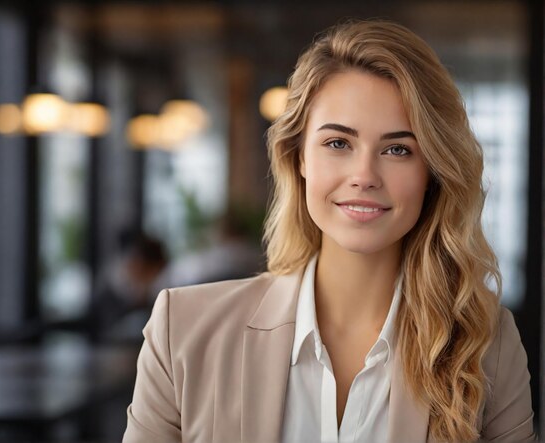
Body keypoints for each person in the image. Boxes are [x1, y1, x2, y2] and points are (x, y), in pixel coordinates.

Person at [123, 20, 536, 443]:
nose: (364, 176)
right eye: (338, 143)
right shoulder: (182, 332)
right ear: (298, 157)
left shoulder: (486, 345)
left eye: (398, 149)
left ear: (431, 172)